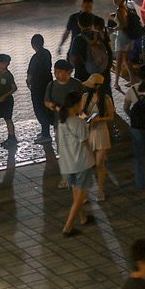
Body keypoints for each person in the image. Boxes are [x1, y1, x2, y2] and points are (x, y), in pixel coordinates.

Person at [57, 93, 96, 236]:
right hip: (80, 163)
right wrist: (88, 126)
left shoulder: (62, 121)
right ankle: (68, 227)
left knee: (75, 192)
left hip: (67, 164)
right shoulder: (78, 123)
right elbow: (85, 143)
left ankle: (83, 218)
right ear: (76, 105)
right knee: (81, 196)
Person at [85, 74, 116, 197]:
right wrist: (87, 119)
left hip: (101, 132)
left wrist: (99, 119)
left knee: (99, 163)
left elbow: (111, 116)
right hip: (89, 131)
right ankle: (86, 191)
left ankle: (100, 190)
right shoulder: (85, 97)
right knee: (89, 164)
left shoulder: (106, 99)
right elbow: (81, 113)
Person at [27, 34, 55, 142]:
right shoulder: (47, 53)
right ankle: (45, 131)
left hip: (38, 87)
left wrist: (28, 83)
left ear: (33, 45)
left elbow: (30, 75)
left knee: (40, 109)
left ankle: (46, 135)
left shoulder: (35, 58)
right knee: (46, 107)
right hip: (48, 83)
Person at [0, 53, 18, 143]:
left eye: (2, 63)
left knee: (8, 119)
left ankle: (12, 136)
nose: (0, 65)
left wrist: (5, 96)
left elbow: (14, 87)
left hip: (7, 101)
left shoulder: (8, 75)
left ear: (7, 64)